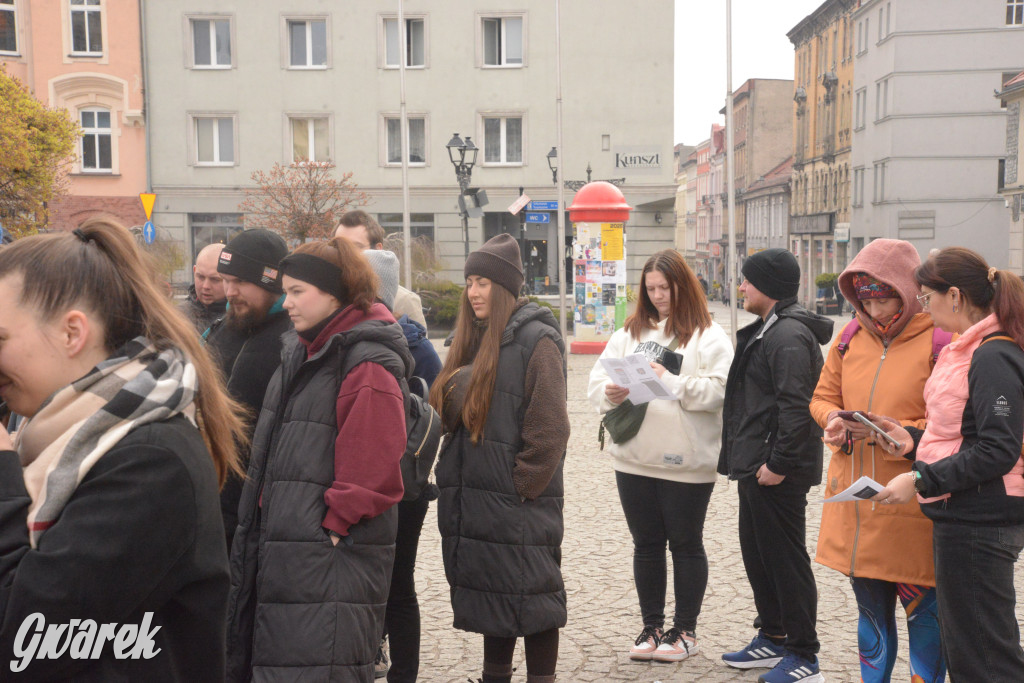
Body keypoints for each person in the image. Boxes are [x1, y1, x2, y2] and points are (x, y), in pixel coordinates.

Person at [0, 224, 246, 679]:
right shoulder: (56, 436)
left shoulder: (150, 462)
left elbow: (21, 641)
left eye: (1, 339)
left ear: (72, 333)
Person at [226, 237, 409, 682]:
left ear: (334, 293)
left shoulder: (365, 362)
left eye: (297, 291)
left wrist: (333, 526)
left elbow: (374, 467)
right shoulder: (302, 350)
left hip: (325, 559)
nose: (286, 302)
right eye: (285, 291)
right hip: (286, 551)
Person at [871, 247, 1024, 680]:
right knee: (969, 648)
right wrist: (912, 441)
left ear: (954, 296)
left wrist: (920, 479)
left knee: (985, 654)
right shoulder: (970, 349)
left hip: (981, 517)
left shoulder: (992, 355)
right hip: (964, 513)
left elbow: (998, 449)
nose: (923, 307)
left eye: (926, 297)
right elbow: (962, 436)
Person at [430, 234, 570, 683]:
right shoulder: (472, 338)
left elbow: (550, 428)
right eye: (470, 282)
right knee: (495, 595)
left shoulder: (537, 339)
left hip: (516, 501)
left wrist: (521, 487)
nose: (473, 292)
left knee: (536, 597)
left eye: (483, 283)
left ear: (505, 287)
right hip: (478, 499)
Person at [810, 239, 946, 683]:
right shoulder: (849, 338)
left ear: (907, 292)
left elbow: (954, 422)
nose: (874, 311)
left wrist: (902, 430)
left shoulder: (941, 341)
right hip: (858, 507)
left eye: (883, 299)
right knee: (870, 616)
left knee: (926, 620)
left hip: (912, 507)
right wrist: (833, 420)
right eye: (864, 301)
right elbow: (822, 397)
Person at [587, 250, 732, 664]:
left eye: (664, 288)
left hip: (687, 463)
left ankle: (685, 630)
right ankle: (651, 626)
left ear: (682, 286)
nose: (657, 296)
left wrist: (672, 382)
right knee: (646, 545)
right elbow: (596, 381)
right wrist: (610, 392)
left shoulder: (710, 335)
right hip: (633, 458)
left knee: (686, 545)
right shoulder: (629, 332)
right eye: (650, 289)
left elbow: (721, 391)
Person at [717, 247, 832, 683]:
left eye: (747, 280)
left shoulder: (788, 336)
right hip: (756, 466)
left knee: (785, 560)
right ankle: (773, 635)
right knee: (759, 555)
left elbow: (797, 407)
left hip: (777, 471)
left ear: (767, 285)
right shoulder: (770, 328)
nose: (741, 286)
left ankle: (803, 654)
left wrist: (778, 464)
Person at [363, 248, 442, 683]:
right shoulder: (417, 344)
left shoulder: (400, 344)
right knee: (396, 585)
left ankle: (399, 670)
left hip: (400, 482)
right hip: (404, 482)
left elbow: (436, 406)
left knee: (395, 584)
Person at [204, 228, 291, 550]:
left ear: (270, 280)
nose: (229, 292)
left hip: (264, 514)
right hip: (212, 503)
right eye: (226, 280)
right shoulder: (220, 331)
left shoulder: (295, 339)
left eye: (240, 281)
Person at [335, 211, 427, 327]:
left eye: (356, 247)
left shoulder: (404, 301)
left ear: (378, 249)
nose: (345, 254)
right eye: (338, 246)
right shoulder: (324, 296)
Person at [181, 242, 228, 333]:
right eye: (201, 277)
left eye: (214, 279)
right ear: (194, 271)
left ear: (229, 278)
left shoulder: (242, 320)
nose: (206, 286)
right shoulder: (176, 317)